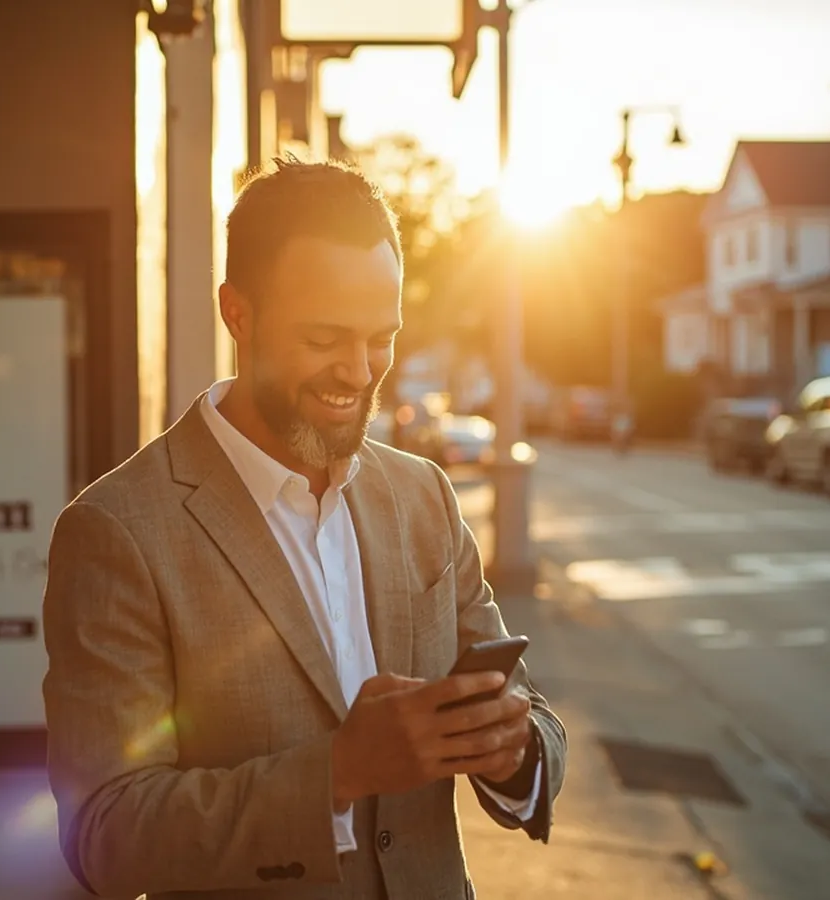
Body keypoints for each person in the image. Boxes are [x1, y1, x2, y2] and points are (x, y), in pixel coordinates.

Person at [42, 158, 567, 899]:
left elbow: (530, 713)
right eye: (325, 338)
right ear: (238, 314)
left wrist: (509, 746)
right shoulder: (118, 533)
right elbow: (104, 832)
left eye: (381, 338)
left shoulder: (422, 497)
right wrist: (338, 773)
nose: (358, 372)